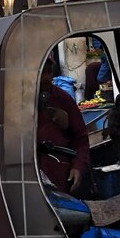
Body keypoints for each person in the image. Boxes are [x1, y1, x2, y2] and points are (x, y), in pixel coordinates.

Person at [36, 61, 90, 195]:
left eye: (49, 72)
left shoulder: (62, 98)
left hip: (60, 177)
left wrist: (77, 167)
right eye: (42, 72)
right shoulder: (13, 102)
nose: (46, 78)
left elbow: (81, 139)